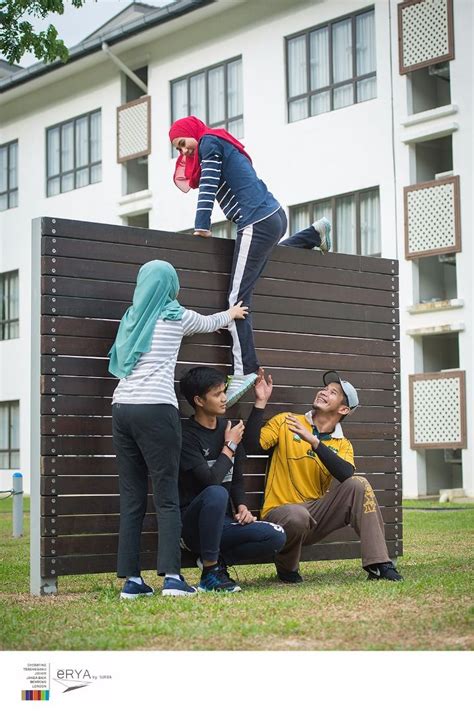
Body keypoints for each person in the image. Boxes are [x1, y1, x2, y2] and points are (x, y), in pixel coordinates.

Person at [169, 116, 331, 407]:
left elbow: (207, 184)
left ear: (193, 133)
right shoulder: (217, 142)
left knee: (236, 301)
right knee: (262, 267)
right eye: (178, 150)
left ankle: (245, 370)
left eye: (182, 144)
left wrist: (202, 225)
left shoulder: (208, 142)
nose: (183, 152)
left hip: (255, 220)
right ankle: (312, 234)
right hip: (272, 216)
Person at [108, 260, 248, 599]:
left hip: (122, 408)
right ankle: (172, 578)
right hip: (156, 411)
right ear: (171, 285)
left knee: (132, 498)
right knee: (167, 497)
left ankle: (132, 582)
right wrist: (232, 313)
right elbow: (210, 322)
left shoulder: (131, 319)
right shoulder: (174, 316)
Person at [243, 369, 403, 583]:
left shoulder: (342, 444)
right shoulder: (286, 422)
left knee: (359, 484)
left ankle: (378, 564)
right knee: (297, 515)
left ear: (344, 409)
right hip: (281, 515)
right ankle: (287, 568)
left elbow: (346, 474)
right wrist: (260, 402)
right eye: (325, 389)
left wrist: (314, 441)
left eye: (333, 392)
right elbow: (252, 445)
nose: (324, 392)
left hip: (316, 517)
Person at [178, 366, 287, 592]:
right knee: (216, 492)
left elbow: (236, 479)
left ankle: (217, 562)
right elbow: (211, 481)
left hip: (223, 524)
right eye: (217, 394)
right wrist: (230, 447)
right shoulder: (186, 435)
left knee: (275, 536)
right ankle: (209, 575)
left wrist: (242, 506)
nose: (224, 398)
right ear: (199, 400)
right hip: (191, 529)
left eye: (224, 392)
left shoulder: (229, 428)